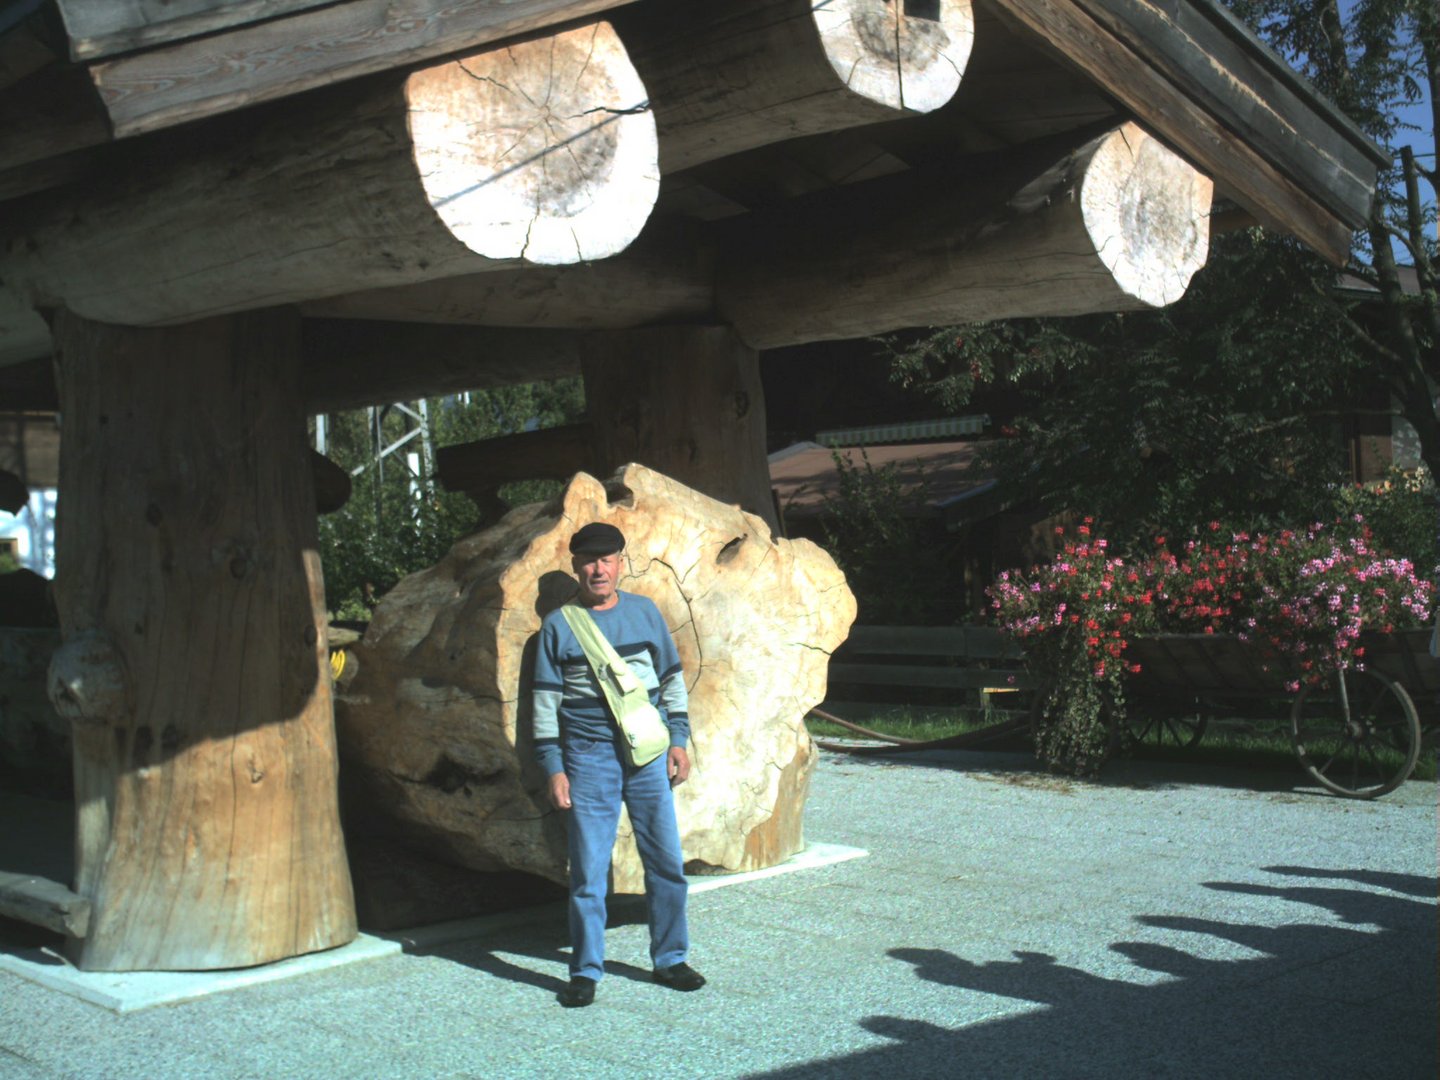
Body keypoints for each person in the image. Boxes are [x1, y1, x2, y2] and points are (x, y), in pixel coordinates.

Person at [532, 521, 706, 1008]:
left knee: (666, 862)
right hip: (588, 759)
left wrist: (679, 740)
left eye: (607, 559)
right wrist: (554, 766)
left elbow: (672, 681)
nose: (598, 568)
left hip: (648, 755)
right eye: (589, 560)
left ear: (621, 564)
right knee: (587, 870)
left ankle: (670, 958)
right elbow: (545, 706)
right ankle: (586, 969)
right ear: (576, 568)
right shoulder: (558, 627)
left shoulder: (646, 613)